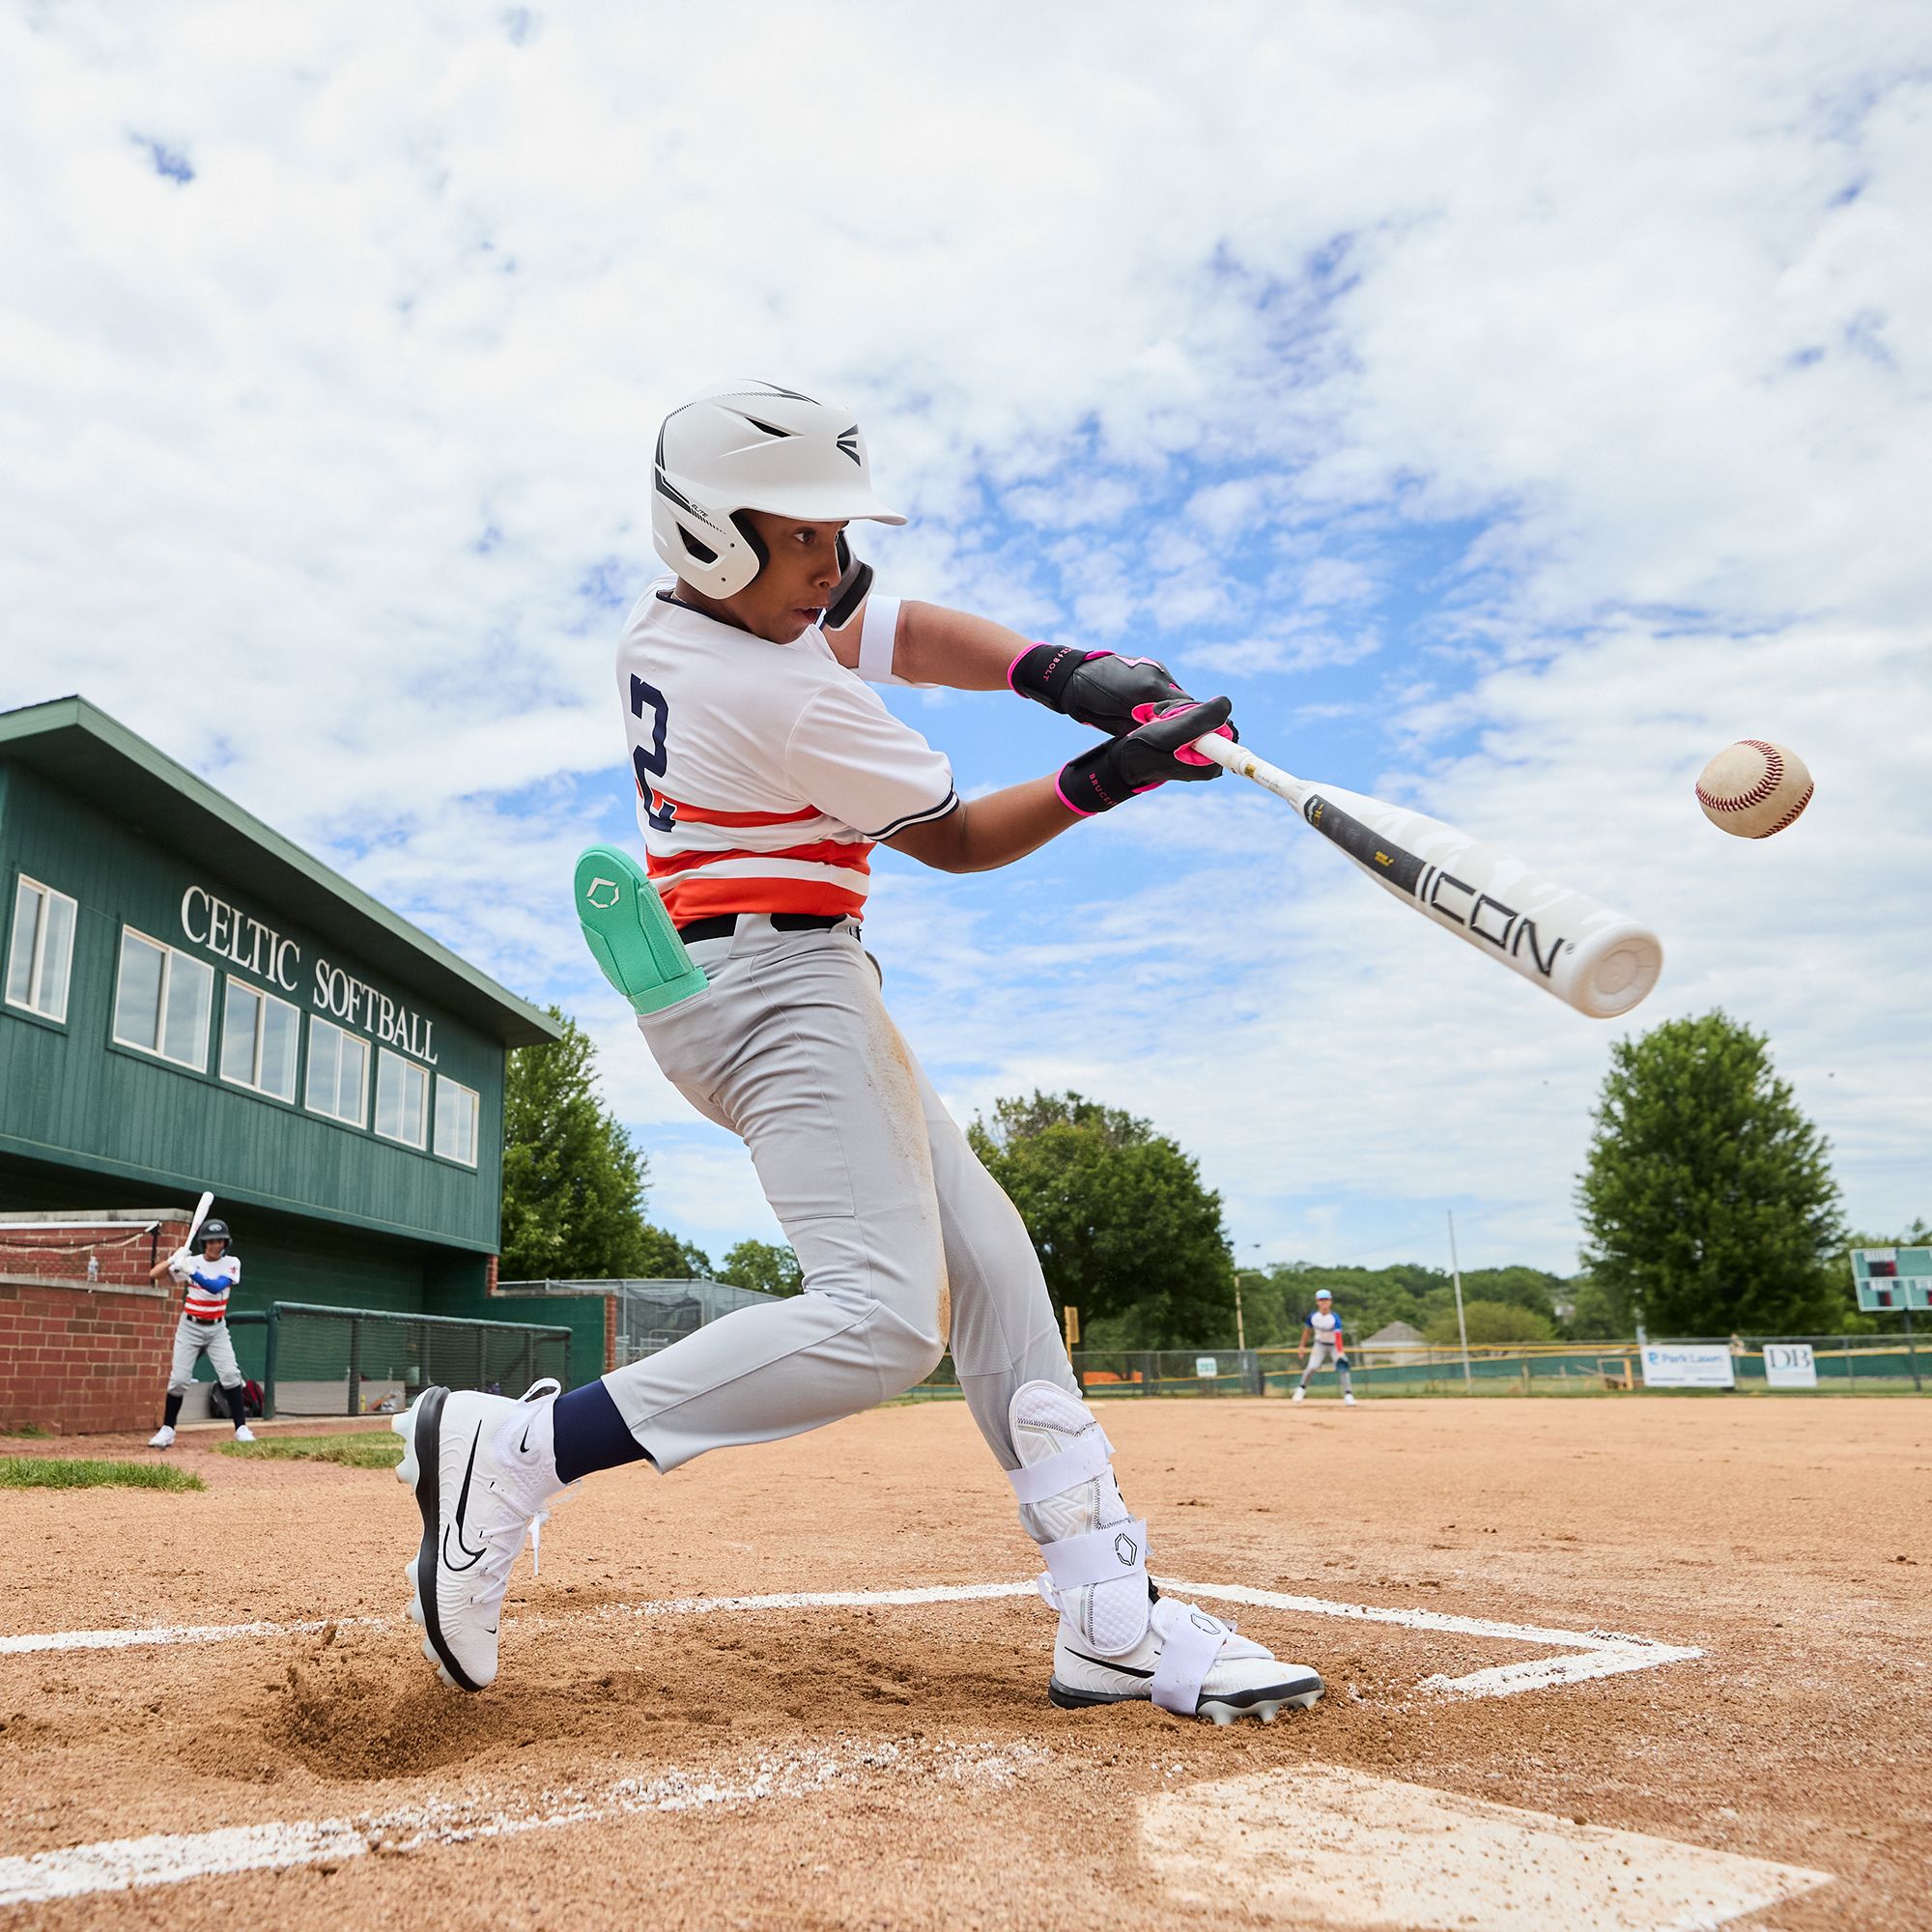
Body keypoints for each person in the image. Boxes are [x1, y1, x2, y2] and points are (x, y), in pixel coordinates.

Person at [394, 380, 1323, 1726]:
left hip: (779, 973)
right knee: (889, 1316)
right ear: (714, 538)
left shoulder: (681, 620)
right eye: (805, 541)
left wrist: (1057, 672)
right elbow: (956, 839)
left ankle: (1110, 1617)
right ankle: (520, 1450)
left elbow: (888, 622)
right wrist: (1108, 775)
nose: (831, 566)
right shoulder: (773, 692)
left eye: (837, 535)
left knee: (997, 1270)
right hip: (777, 990)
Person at [147, 1218, 256, 1447]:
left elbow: (216, 1287)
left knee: (230, 1375)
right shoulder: (191, 1261)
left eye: (219, 1241)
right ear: (203, 1243)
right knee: (178, 1380)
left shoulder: (231, 1263)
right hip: (190, 1327)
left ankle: (241, 1428)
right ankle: (167, 1430)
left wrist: (190, 1271)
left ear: (226, 1242)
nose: (215, 1245)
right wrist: (173, 1259)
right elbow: (154, 1276)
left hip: (217, 1328)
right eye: (210, 1241)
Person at [1293, 1289, 1355, 1405]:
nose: (1324, 1302)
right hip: (1319, 1345)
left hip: (1334, 1346)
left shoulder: (1334, 1317)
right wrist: (1302, 1346)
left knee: (1343, 1367)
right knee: (1312, 1367)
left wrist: (1340, 1352)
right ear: (1317, 1302)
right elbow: (1307, 1331)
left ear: (1330, 1301)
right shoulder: (1313, 1317)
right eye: (1321, 1300)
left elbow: (1338, 1335)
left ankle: (1348, 1395)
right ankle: (1301, 1390)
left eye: (1326, 1300)